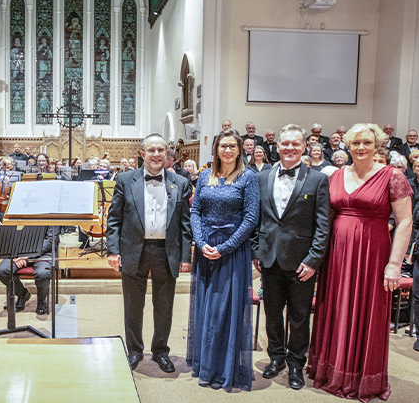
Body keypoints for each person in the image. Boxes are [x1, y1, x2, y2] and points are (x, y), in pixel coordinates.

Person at [308, 123, 413, 402]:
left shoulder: (393, 176)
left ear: (377, 145)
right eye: (355, 143)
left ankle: (361, 376)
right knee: (337, 305)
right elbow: (325, 217)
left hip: (373, 253)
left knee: (366, 309)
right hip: (338, 253)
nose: (361, 148)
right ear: (348, 146)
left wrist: (394, 264)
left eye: (367, 142)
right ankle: (333, 371)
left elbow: (404, 223)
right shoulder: (337, 175)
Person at [251, 124, 330, 390]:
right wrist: (256, 252)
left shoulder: (318, 179)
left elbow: (323, 226)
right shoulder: (263, 177)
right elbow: (256, 220)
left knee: (298, 317)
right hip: (269, 259)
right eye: (285, 143)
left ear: (304, 147)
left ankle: (296, 364)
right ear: (278, 146)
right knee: (272, 314)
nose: (290, 148)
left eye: (296, 144)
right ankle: (277, 358)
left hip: (302, 262)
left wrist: (313, 260)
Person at [106, 133, 193, 373]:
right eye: (151, 150)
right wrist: (113, 250)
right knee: (133, 305)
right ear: (142, 153)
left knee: (164, 305)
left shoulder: (180, 182)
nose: (156, 155)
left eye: (161, 150)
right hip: (134, 249)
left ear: (167, 155)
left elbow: (185, 225)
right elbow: (114, 220)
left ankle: (160, 351)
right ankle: (134, 350)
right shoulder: (125, 180)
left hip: (167, 250)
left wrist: (186, 257)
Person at [188, 129, 258, 391]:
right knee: (206, 307)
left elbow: (251, 218)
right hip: (206, 249)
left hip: (232, 251)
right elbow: (195, 210)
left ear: (240, 149)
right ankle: (206, 365)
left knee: (224, 310)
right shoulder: (205, 175)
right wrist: (200, 240)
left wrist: (226, 247)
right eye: (223, 146)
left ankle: (224, 369)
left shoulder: (248, 178)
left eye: (232, 146)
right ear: (216, 149)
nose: (227, 150)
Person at [0, 228, 56, 315]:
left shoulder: (51, 215)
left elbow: (51, 240)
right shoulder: (18, 214)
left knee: (43, 273)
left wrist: (28, 255)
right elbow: (12, 235)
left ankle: (41, 301)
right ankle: (22, 294)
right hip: (20, 251)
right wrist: (17, 254)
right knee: (2, 271)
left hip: (43, 252)